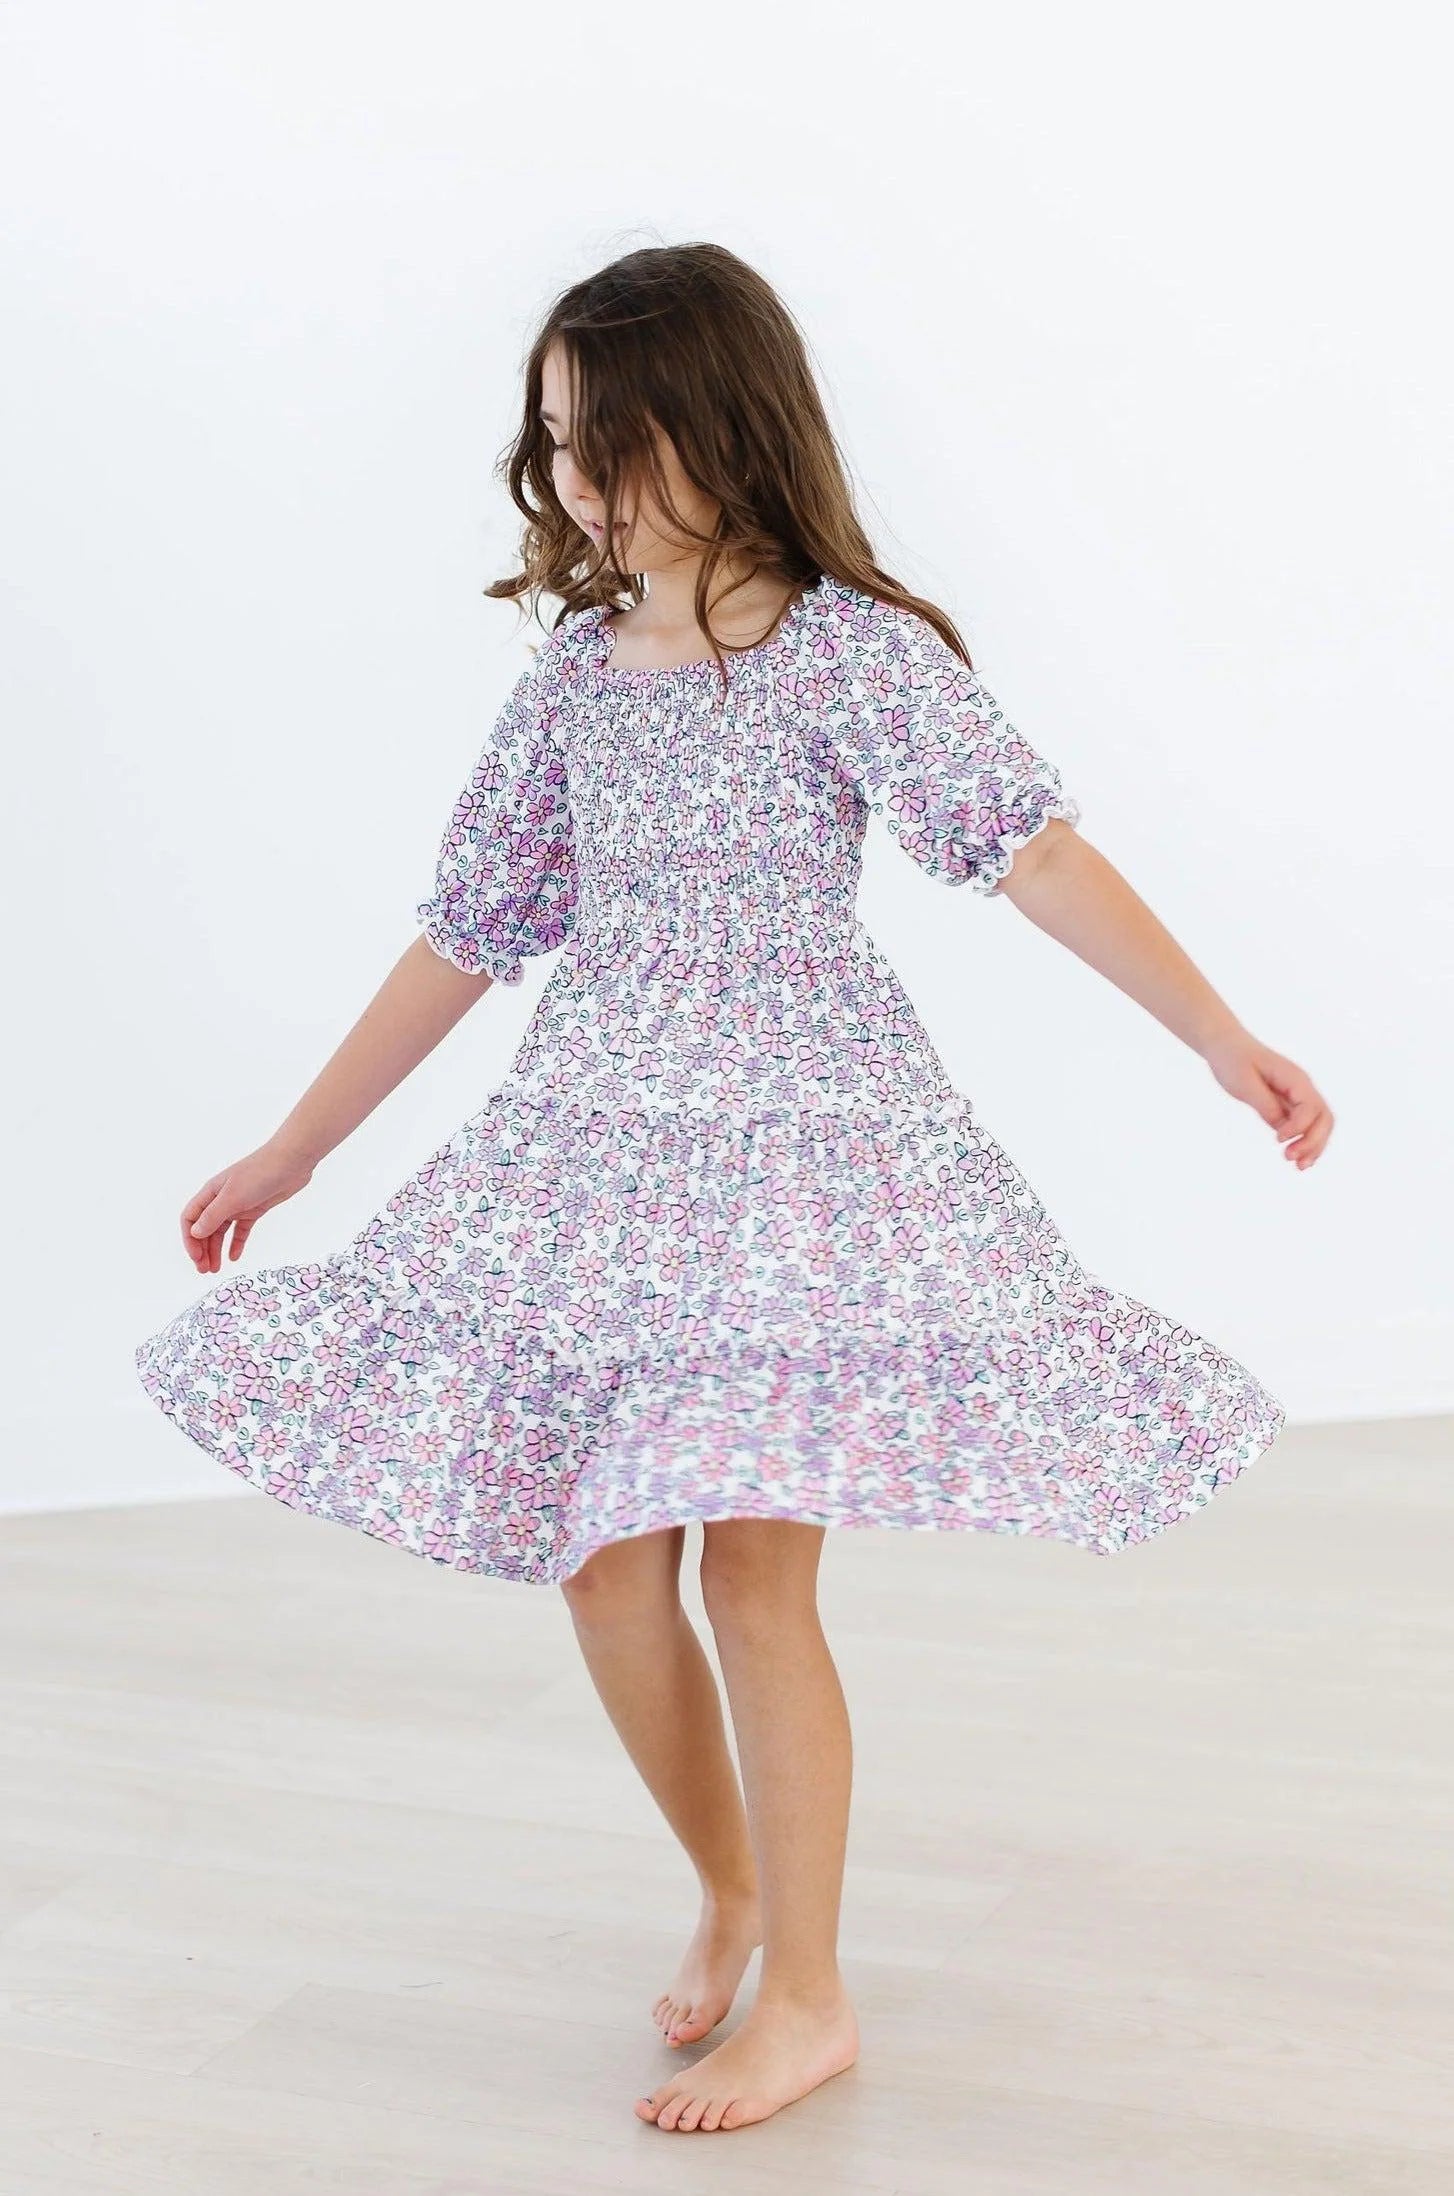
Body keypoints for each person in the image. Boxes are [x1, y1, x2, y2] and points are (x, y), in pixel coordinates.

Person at [135, 241, 1331, 2136]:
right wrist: (298, 1144)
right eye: (555, 444)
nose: (578, 483)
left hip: (805, 1150)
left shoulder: (848, 651)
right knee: (607, 1561)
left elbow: (1028, 854)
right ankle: (729, 1879)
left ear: (719, 427)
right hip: (600, 1149)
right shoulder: (571, 684)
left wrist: (1215, 1033)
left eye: (609, 441)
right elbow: (464, 936)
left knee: (758, 1570)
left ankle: (813, 1993)